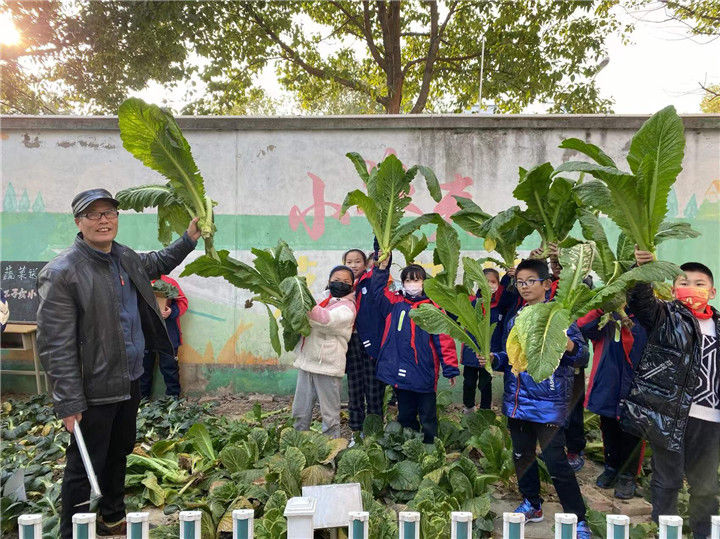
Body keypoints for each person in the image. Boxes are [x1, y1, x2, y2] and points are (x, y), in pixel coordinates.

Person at [37, 188, 200, 538]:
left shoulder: (123, 257)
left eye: (109, 213)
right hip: (92, 386)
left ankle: (112, 516)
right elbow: (55, 344)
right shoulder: (62, 272)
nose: (103, 220)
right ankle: (72, 530)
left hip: (130, 378)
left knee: (119, 453)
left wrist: (188, 239)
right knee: (84, 465)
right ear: (78, 222)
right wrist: (67, 400)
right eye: (93, 214)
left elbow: (156, 263)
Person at [487, 258, 591, 538]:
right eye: (520, 282)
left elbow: (581, 355)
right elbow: (510, 357)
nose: (524, 287)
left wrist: (565, 341)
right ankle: (532, 504)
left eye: (530, 281)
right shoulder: (515, 317)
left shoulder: (559, 316)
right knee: (521, 457)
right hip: (517, 400)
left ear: (546, 284)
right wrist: (493, 359)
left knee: (557, 463)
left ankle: (577, 518)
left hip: (549, 404)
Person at [621, 250, 719, 539]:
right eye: (684, 281)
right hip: (670, 415)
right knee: (668, 481)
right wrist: (641, 269)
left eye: (699, 283)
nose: (692, 287)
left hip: (710, 420)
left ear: (711, 292)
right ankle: (665, 532)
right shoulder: (665, 316)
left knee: (705, 486)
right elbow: (639, 301)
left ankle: (704, 533)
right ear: (675, 288)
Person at [371, 256, 459, 443]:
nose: (412, 284)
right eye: (408, 280)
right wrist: (381, 270)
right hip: (401, 371)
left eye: (416, 279)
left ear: (424, 283)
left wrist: (450, 368)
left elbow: (444, 339)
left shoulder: (433, 308)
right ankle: (409, 445)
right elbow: (378, 291)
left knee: (427, 414)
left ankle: (429, 447)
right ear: (402, 283)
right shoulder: (394, 303)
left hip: (424, 370)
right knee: (405, 413)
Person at [577, 307, 646, 499]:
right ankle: (611, 468)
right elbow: (582, 326)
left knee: (632, 431)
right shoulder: (606, 316)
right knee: (608, 427)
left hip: (635, 384)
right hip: (608, 382)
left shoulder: (646, 314)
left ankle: (628, 476)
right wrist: (602, 307)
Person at [530, 243, 588, 472]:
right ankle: (554, 447)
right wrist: (535, 260)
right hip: (548, 353)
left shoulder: (581, 285)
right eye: (554, 264)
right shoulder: (547, 286)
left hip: (571, 352)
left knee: (573, 407)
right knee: (554, 405)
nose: (557, 269)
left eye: (561, 264)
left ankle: (575, 450)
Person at [292, 265, 357, 439]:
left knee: (329, 416)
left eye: (345, 282)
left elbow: (325, 320)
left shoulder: (348, 308)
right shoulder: (322, 300)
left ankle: (330, 454)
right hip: (307, 363)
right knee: (300, 412)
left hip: (328, 367)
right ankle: (298, 449)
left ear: (352, 285)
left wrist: (300, 303)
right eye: (336, 280)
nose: (340, 284)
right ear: (329, 282)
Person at [342, 248, 386, 440]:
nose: (353, 265)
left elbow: (381, 267)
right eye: (349, 262)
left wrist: (382, 252)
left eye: (357, 261)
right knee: (355, 389)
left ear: (365, 263)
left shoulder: (371, 281)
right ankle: (356, 433)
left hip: (372, 344)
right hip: (351, 344)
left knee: (374, 389)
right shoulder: (342, 285)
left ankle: (375, 433)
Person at [461, 268, 506, 412]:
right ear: (479, 283)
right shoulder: (472, 303)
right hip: (471, 351)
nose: (490, 285)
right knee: (469, 382)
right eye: (486, 282)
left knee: (486, 383)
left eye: (493, 282)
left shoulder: (500, 305)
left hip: (490, 353)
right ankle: (469, 407)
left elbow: (509, 292)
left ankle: (486, 410)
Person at [140, 275, 188, 398]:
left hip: (168, 333)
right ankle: (142, 402)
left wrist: (171, 311)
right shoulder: (139, 280)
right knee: (143, 370)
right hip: (144, 332)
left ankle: (173, 401)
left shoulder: (169, 282)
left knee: (170, 369)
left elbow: (183, 302)